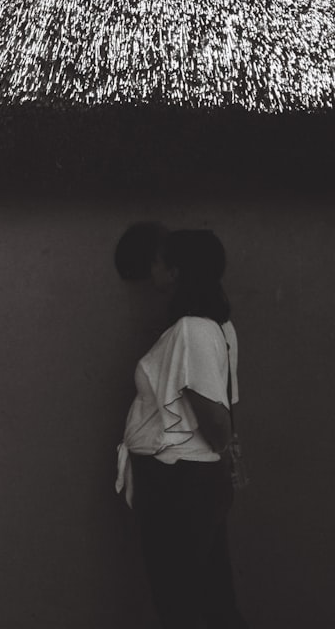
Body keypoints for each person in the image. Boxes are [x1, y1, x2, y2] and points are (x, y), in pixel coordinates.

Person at [115, 229, 248, 629]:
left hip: (180, 482)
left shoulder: (192, 330)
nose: (151, 268)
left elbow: (217, 418)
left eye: (157, 261)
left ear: (175, 272)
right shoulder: (216, 327)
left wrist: (212, 456)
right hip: (192, 481)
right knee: (211, 598)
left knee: (178, 603)